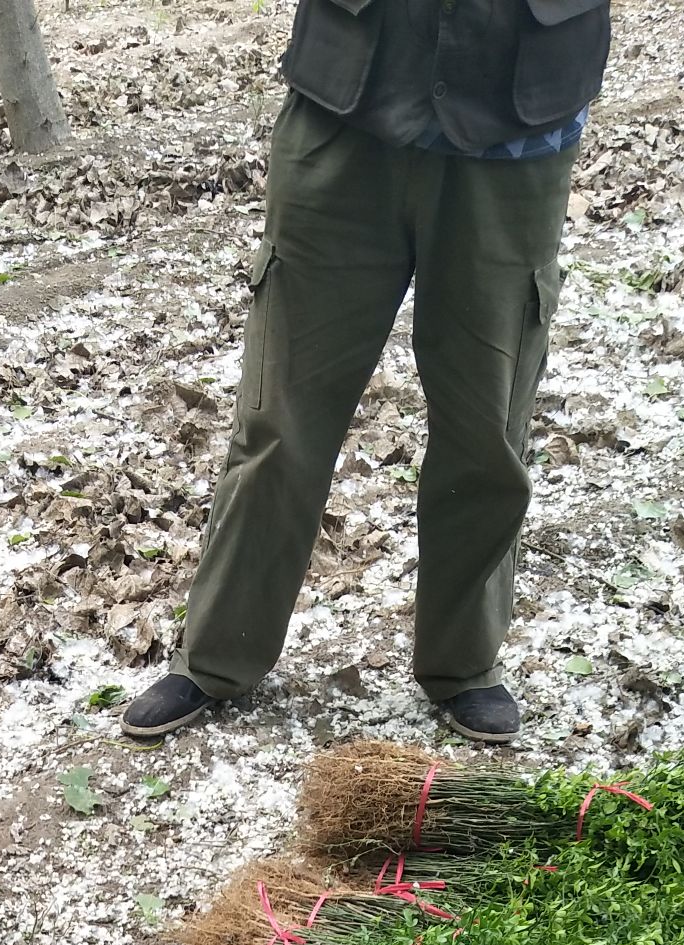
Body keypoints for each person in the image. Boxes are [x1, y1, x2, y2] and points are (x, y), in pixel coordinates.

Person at [122, 0, 612, 747]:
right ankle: (217, 656)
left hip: (518, 119)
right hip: (347, 103)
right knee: (281, 413)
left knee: (487, 422)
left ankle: (465, 664)